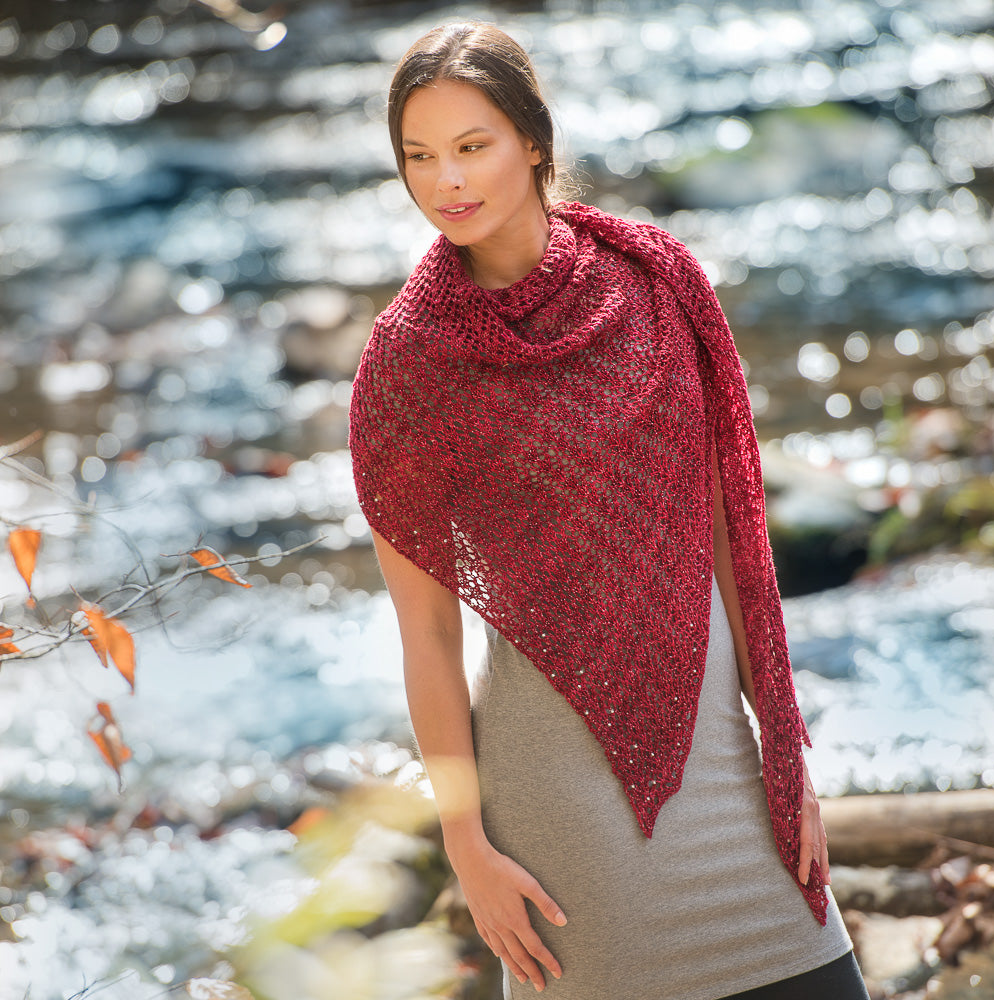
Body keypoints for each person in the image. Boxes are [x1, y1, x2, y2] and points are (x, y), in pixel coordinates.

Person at [349, 20, 870, 1000]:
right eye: (418, 156)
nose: (445, 181)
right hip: (557, 801)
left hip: (722, 753)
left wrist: (783, 742)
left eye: (471, 146)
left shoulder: (656, 282)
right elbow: (427, 634)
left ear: (532, 140)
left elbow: (729, 532)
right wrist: (465, 844)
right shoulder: (409, 361)